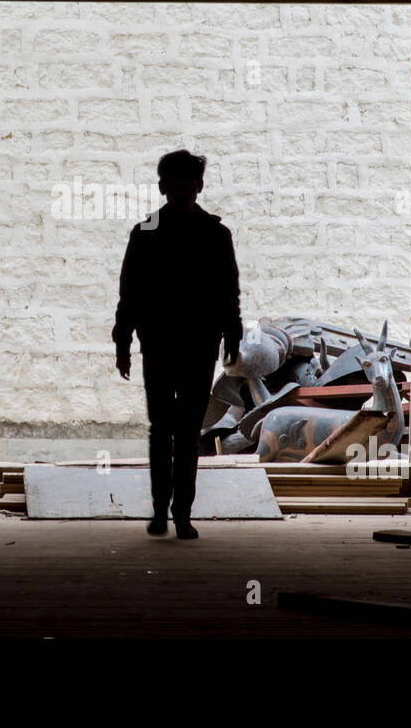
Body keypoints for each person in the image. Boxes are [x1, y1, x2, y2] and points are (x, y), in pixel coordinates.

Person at [112, 150, 242, 539]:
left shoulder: (213, 235)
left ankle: (177, 515)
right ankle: (165, 513)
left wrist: (232, 333)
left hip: (193, 345)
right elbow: (129, 293)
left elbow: (227, 292)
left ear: (198, 187)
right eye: (176, 184)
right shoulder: (150, 233)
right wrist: (123, 341)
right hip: (165, 345)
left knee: (181, 432)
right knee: (166, 431)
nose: (183, 191)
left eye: (189, 184)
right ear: (163, 187)